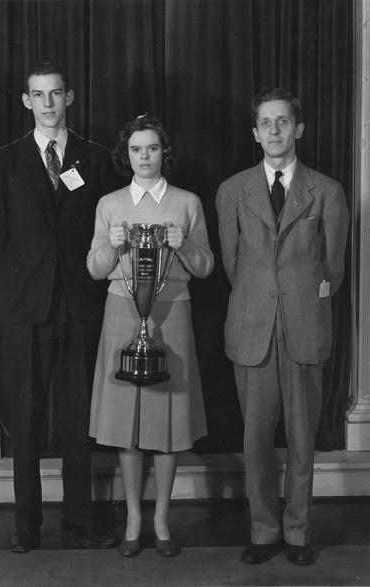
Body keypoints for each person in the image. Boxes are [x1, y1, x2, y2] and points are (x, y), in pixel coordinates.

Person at [0, 60, 118, 553]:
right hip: (26, 310)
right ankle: (27, 526)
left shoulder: (95, 159)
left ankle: (80, 522)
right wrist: (20, 292)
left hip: (79, 307)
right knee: (27, 417)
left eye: (56, 93)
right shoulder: (3, 160)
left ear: (70, 97)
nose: (47, 103)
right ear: (26, 101)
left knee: (77, 419)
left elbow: (104, 232)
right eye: (38, 95)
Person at [216, 88, 349, 566]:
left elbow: (332, 270)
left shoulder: (327, 192)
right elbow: (234, 265)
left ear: (299, 129)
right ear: (255, 133)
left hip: (304, 330)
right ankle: (263, 529)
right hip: (252, 330)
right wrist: (262, 299)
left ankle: (297, 532)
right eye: (266, 124)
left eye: (283, 122)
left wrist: (296, 300)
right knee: (255, 439)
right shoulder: (232, 191)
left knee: (301, 438)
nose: (274, 131)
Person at [87, 114, 213, 557]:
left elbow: (206, 267)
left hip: (172, 311)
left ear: (164, 152)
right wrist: (112, 246)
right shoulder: (109, 204)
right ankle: (133, 520)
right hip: (122, 312)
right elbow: (94, 267)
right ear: (127, 155)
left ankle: (161, 522)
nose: (145, 156)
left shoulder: (187, 202)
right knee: (126, 424)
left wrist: (185, 245)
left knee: (168, 422)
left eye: (153, 148)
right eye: (137, 149)